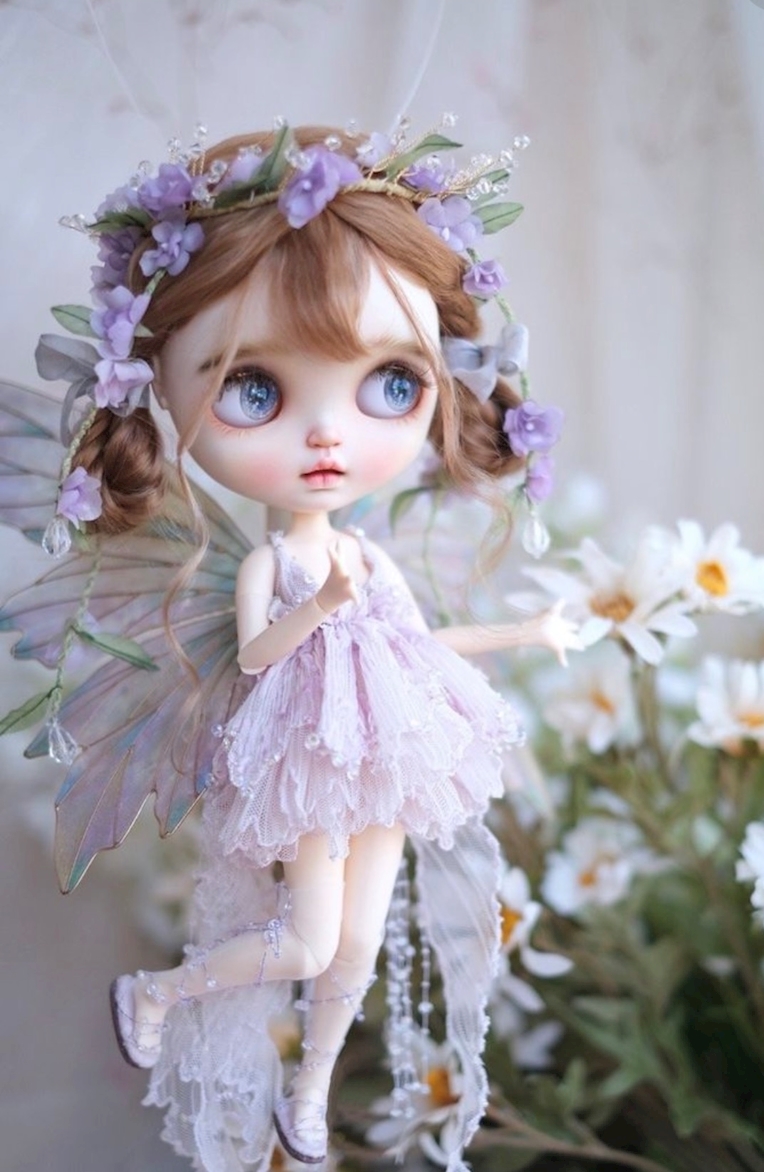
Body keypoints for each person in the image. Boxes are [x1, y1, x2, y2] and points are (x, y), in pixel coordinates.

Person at [30, 121, 578, 1172]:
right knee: (306, 941)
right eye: (257, 391)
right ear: (160, 385)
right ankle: (159, 992)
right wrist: (320, 600)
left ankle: (313, 1091)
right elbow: (256, 659)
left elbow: (423, 647)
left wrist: (529, 628)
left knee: (358, 944)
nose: (328, 435)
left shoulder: (368, 559)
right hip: (304, 763)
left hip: (390, 757)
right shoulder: (275, 566)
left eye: (389, 385)